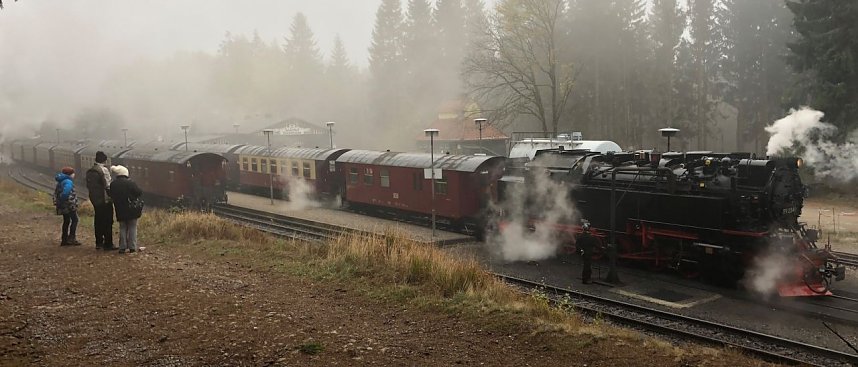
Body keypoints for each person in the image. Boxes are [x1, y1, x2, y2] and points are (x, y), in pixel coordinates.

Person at [109, 165, 143, 254]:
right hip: (131, 209)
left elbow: (111, 194)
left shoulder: (113, 184)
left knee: (122, 228)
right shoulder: (130, 183)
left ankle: (122, 247)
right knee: (132, 227)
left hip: (119, 209)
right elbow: (139, 192)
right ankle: (132, 247)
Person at [86, 151, 115, 250]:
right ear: (105, 160)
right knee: (108, 221)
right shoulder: (104, 170)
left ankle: (99, 242)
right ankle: (108, 243)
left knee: (98, 220)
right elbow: (108, 185)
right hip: (105, 200)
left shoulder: (91, 170)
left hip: (95, 199)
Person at [54, 167, 81, 246]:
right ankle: (72, 238)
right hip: (69, 205)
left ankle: (64, 239)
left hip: (63, 205)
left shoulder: (61, 181)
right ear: (70, 174)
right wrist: (65, 200)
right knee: (75, 220)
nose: (74, 175)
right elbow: (66, 193)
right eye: (73, 173)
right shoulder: (68, 181)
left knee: (66, 221)